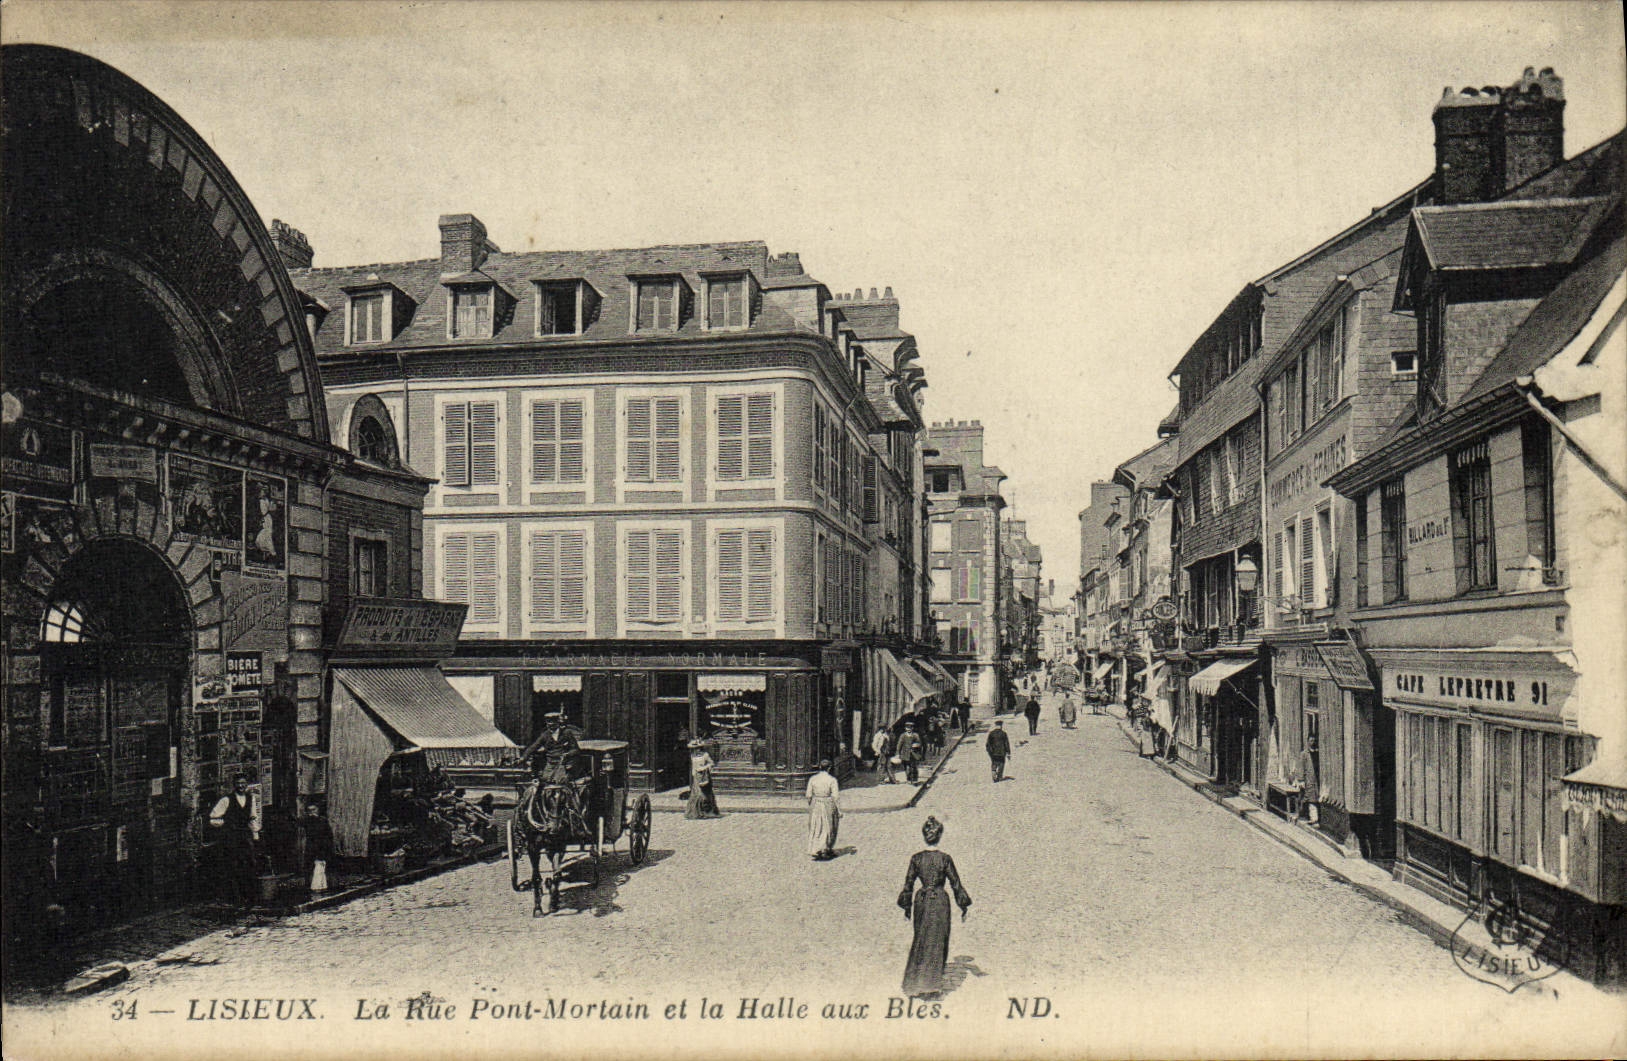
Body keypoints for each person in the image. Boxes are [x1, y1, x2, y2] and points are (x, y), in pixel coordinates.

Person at [897, 816, 972, 999]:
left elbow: (908, 884)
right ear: (940, 836)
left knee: (921, 939)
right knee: (938, 941)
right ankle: (931, 985)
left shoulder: (916, 859)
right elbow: (956, 883)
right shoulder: (945, 859)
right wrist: (963, 905)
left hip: (921, 901)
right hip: (939, 900)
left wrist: (907, 906)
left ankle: (915, 984)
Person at [209, 774, 259, 905]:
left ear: (247, 784)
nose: (241, 786)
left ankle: (248, 896)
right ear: (234, 785)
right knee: (233, 865)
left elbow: (253, 817)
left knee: (249, 864)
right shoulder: (226, 800)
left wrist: (255, 836)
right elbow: (213, 818)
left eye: (243, 783)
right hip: (231, 837)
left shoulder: (250, 798)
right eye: (238, 783)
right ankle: (234, 897)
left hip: (245, 835)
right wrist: (225, 823)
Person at [805, 760, 841, 861]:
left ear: (820, 767)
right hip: (828, 803)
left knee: (816, 826)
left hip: (816, 803)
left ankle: (817, 849)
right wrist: (838, 809)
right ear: (829, 768)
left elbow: (808, 795)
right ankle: (825, 849)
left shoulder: (813, 779)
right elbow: (835, 796)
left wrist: (811, 805)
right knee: (828, 826)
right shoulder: (832, 780)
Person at [686, 739, 721, 819]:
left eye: (697, 748)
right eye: (694, 748)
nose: (696, 749)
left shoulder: (705, 755)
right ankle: (695, 813)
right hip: (697, 777)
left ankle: (707, 812)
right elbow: (693, 766)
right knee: (696, 794)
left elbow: (711, 763)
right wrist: (694, 774)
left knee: (705, 794)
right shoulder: (693, 755)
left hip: (704, 775)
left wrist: (704, 767)